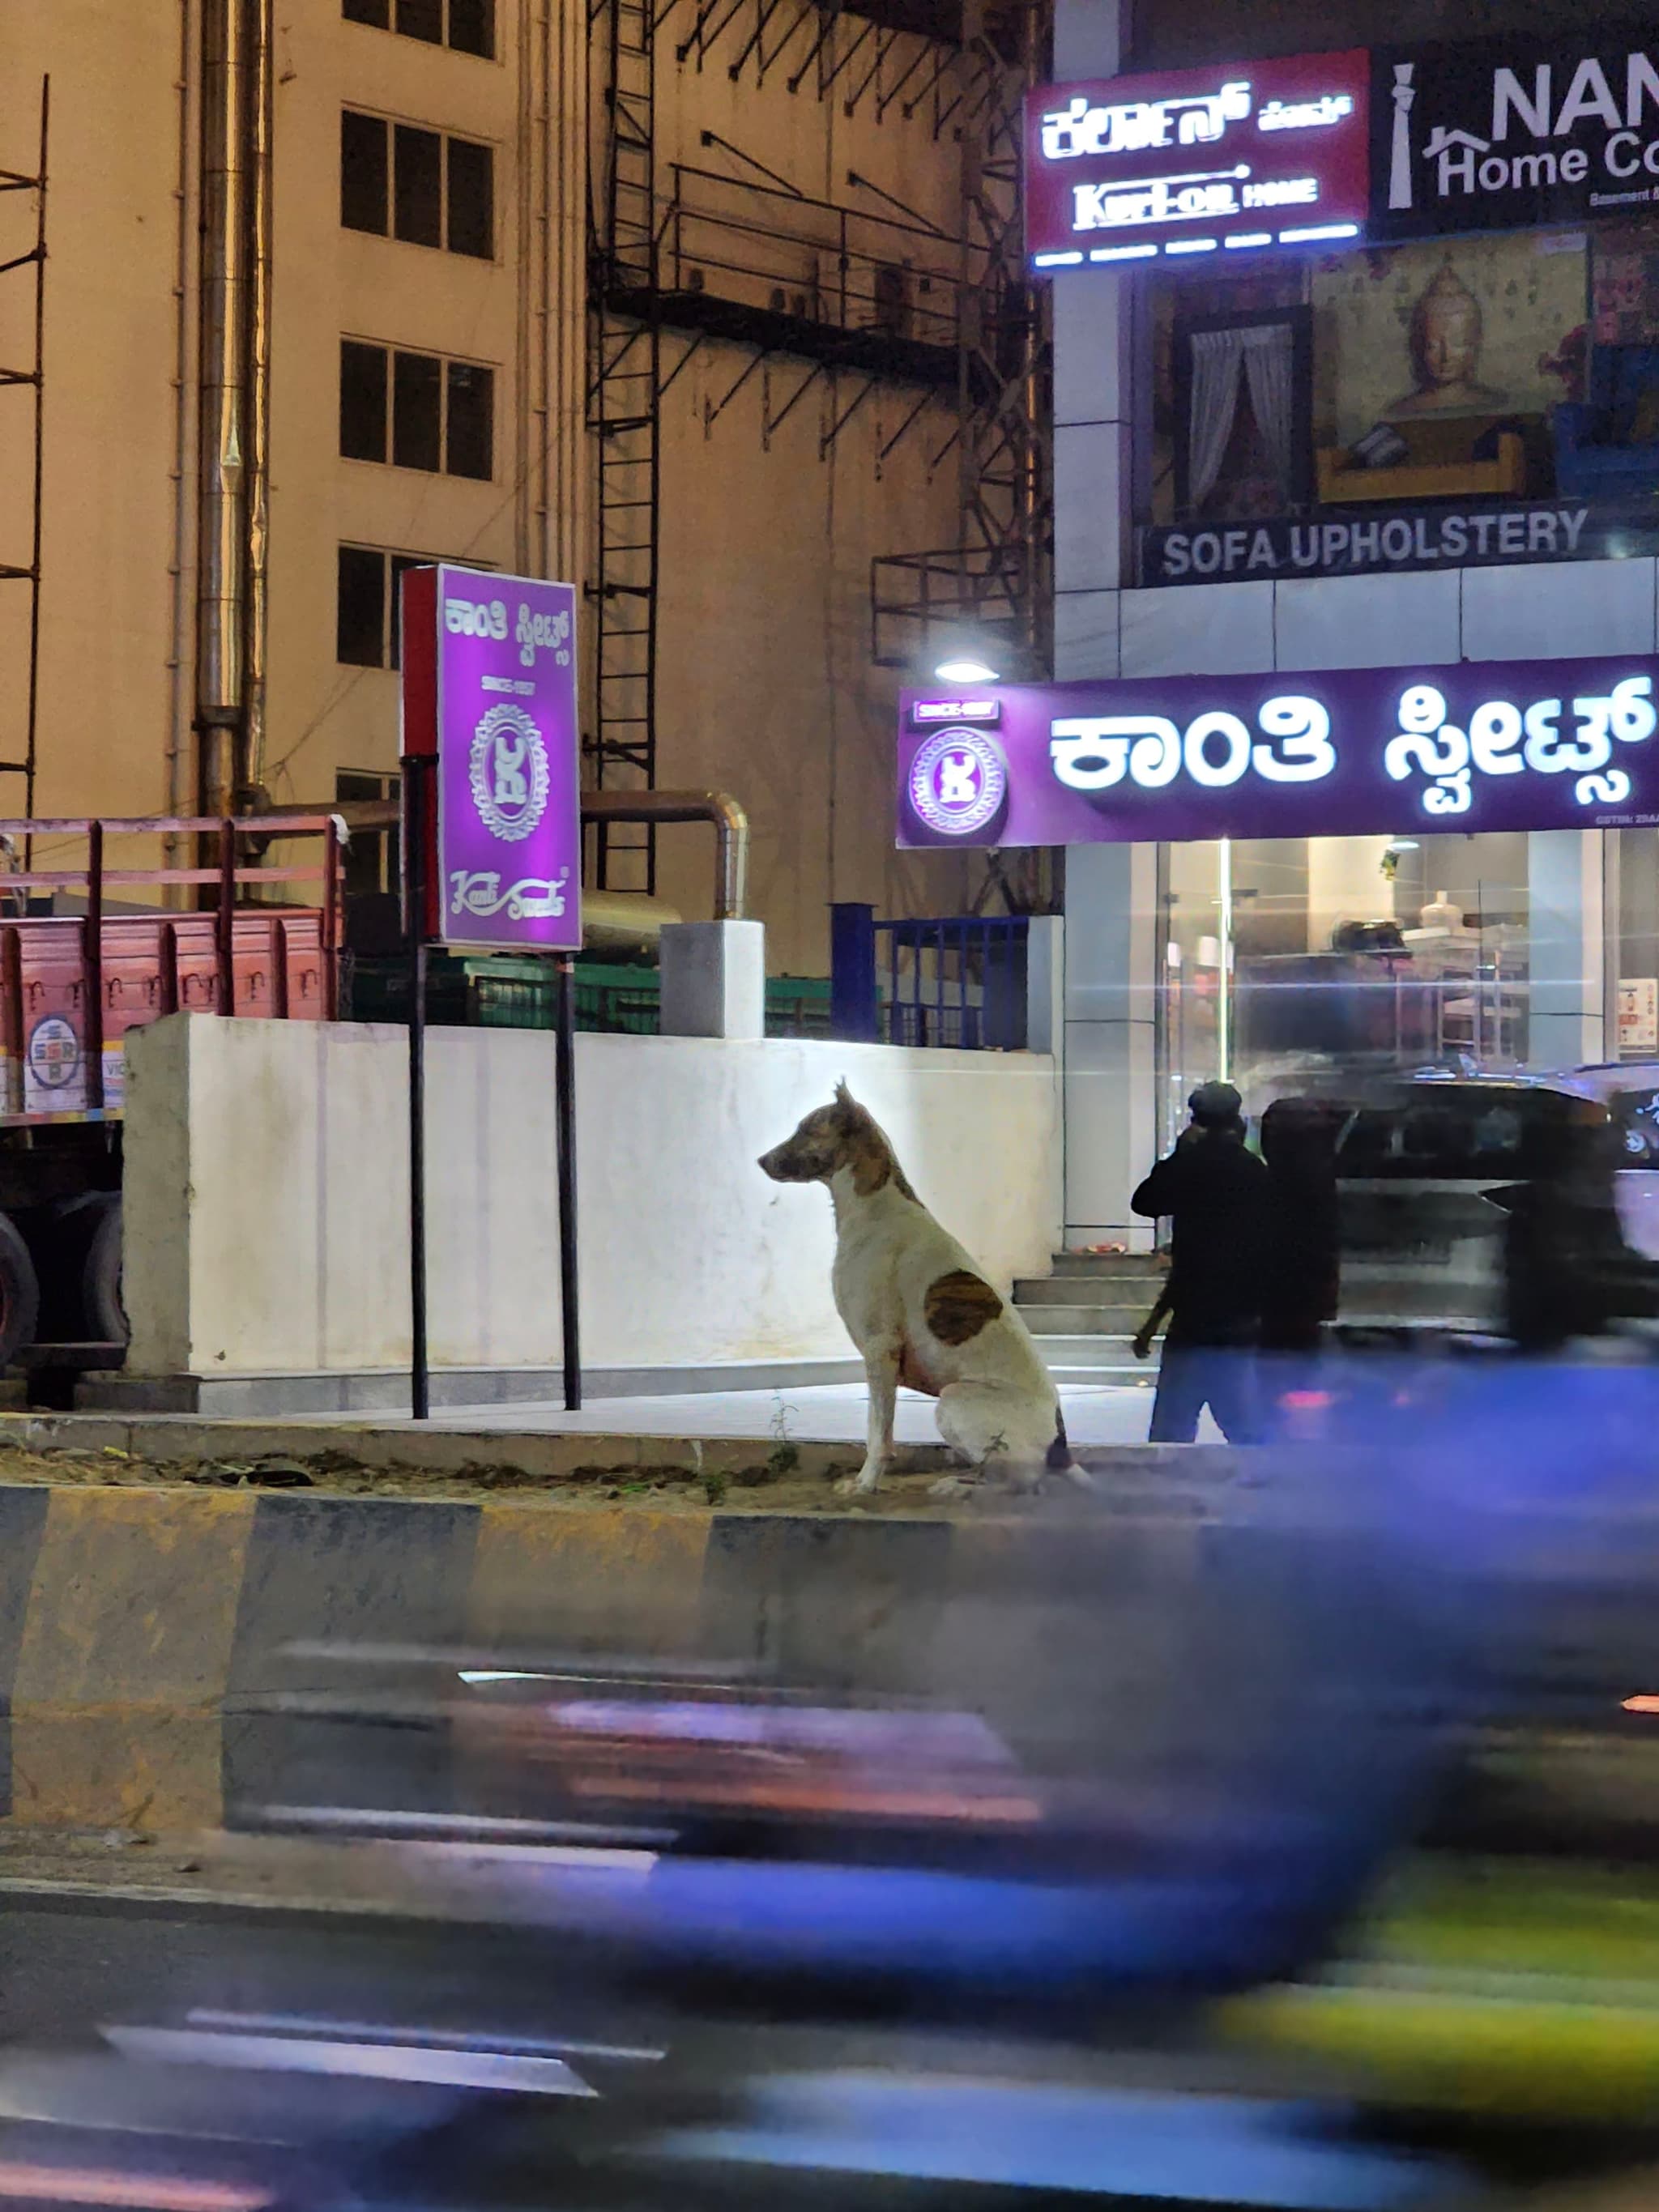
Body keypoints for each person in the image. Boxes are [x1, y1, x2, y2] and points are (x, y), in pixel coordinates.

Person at [1131, 1082, 1270, 1444]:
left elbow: (1145, 1202)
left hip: (1193, 1317)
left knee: (1172, 1427)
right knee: (1244, 1425)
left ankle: (1169, 1493)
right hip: (1240, 1315)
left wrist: (1178, 1154)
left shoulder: (1190, 1166)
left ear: (1196, 1120)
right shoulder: (1253, 1171)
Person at [1257, 1097, 1341, 1421]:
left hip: (1278, 1298)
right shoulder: (1321, 1180)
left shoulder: (1273, 1182)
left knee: (1274, 1386)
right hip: (1304, 1299)